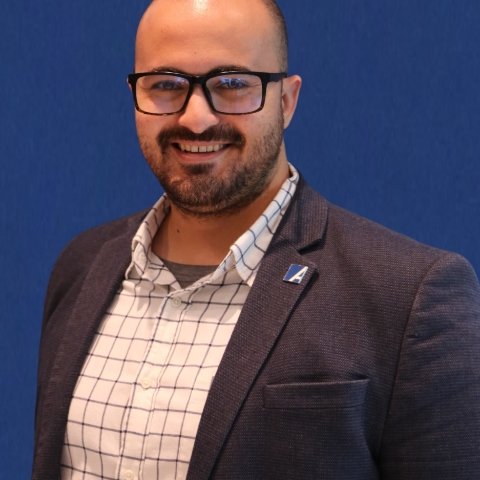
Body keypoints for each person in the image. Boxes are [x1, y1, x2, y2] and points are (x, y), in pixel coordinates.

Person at [32, 0, 480, 478]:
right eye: (166, 85)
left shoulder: (409, 299)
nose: (196, 119)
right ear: (134, 94)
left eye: (231, 85)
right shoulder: (83, 267)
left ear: (287, 101)